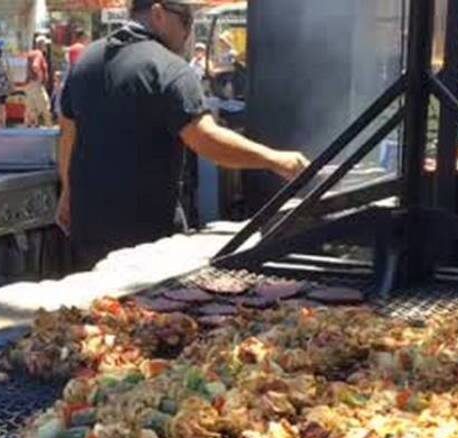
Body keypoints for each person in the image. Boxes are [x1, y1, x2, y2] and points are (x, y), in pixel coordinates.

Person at [58, 0, 309, 270]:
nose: (188, 32)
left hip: (89, 231)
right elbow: (206, 140)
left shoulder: (85, 62)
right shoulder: (168, 68)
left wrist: (67, 193)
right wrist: (276, 160)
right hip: (146, 239)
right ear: (158, 13)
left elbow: (68, 135)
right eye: (186, 20)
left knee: (97, 296)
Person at [22, 36, 52, 128]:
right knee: (45, 105)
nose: (46, 47)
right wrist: (40, 78)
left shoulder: (32, 53)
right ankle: (49, 127)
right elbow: (35, 66)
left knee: (31, 108)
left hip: (29, 84)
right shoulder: (39, 54)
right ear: (42, 45)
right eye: (45, 45)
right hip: (36, 84)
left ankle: (27, 127)